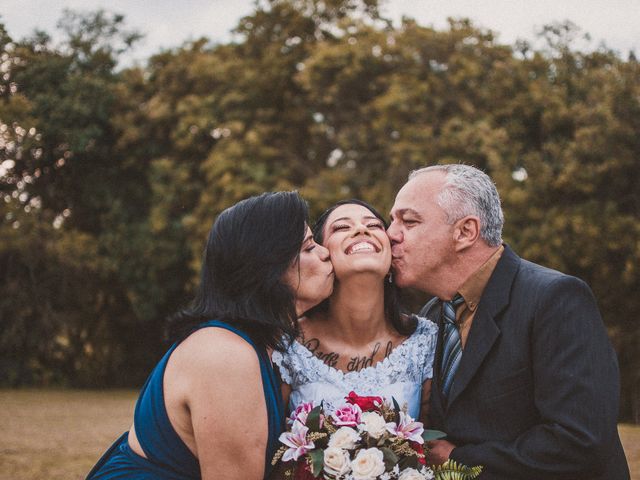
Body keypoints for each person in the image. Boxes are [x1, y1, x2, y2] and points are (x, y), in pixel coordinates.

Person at [387, 164, 630, 479]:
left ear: (465, 232)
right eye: (393, 220)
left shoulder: (555, 298)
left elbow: (580, 438)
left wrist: (459, 459)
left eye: (409, 220)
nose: (391, 233)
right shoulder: (432, 316)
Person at [86, 191, 335, 480]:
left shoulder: (267, 344)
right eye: (308, 247)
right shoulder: (225, 354)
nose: (325, 252)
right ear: (269, 268)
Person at [273, 199, 438, 423]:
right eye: (342, 227)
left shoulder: (425, 341)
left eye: (374, 226)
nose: (361, 229)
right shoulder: (286, 344)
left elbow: (433, 444)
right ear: (321, 254)